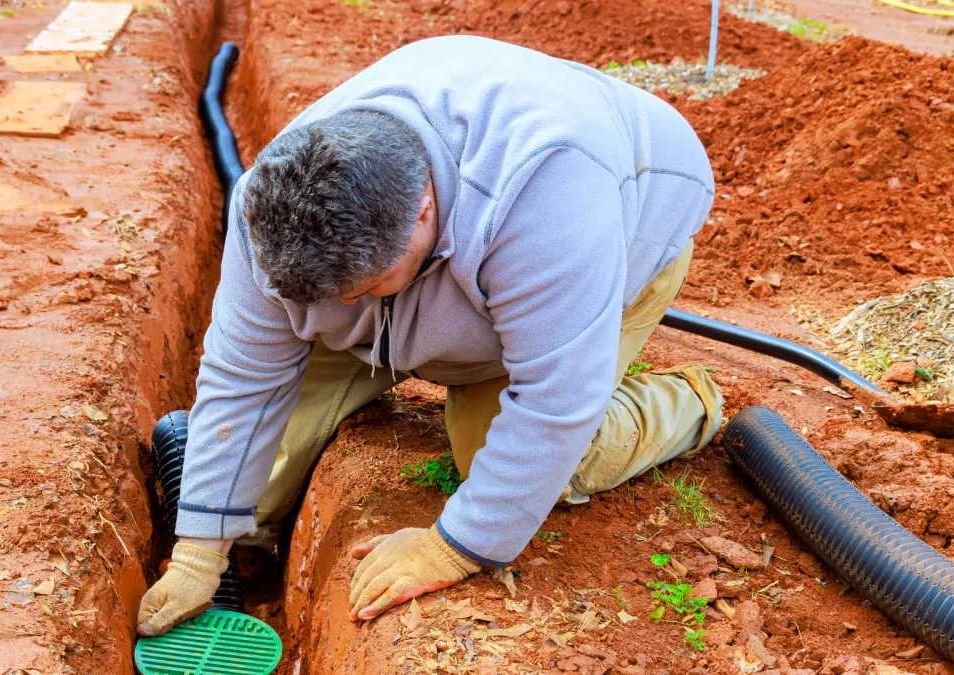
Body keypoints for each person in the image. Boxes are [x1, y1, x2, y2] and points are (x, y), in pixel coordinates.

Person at [136, 34, 723, 637]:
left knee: (502, 452)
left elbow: (556, 400)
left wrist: (457, 546)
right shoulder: (273, 201)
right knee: (261, 463)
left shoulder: (548, 198)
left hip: (620, 232)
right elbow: (244, 378)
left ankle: (689, 404)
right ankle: (254, 550)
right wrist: (200, 553)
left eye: (362, 287)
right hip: (435, 263)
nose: (343, 309)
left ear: (421, 210)